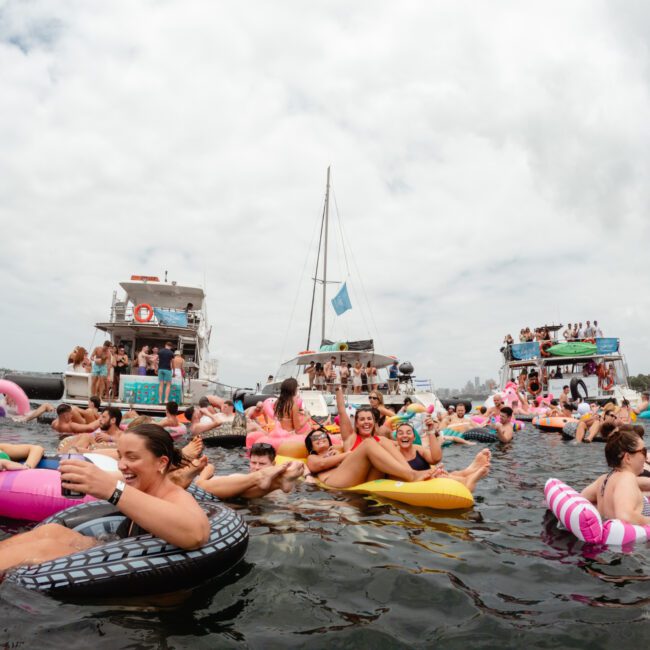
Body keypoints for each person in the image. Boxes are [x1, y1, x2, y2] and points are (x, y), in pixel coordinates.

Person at [0, 424, 210, 571]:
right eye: (120, 456)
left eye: (132, 457)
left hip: (135, 575)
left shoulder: (175, 497)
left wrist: (113, 491)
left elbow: (197, 534)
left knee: (44, 549)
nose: (121, 464)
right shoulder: (144, 485)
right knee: (50, 531)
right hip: (114, 544)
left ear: (161, 463)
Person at [304, 426, 435, 489]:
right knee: (368, 443)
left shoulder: (337, 452)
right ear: (311, 446)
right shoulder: (313, 457)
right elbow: (319, 465)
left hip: (359, 480)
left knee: (381, 440)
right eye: (315, 438)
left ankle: (410, 473)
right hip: (334, 482)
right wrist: (346, 455)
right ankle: (411, 475)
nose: (320, 439)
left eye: (322, 436)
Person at [581, 428, 650, 526]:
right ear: (628, 457)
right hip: (633, 541)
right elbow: (625, 517)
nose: (646, 457)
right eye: (643, 451)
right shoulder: (626, 478)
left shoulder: (604, 479)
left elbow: (582, 498)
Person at [394, 423, 490, 492]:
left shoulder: (419, 449)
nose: (405, 435)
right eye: (401, 433)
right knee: (441, 476)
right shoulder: (393, 453)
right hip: (420, 481)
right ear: (396, 438)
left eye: (408, 432)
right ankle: (467, 481)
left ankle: (470, 470)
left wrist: (431, 431)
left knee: (448, 474)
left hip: (431, 476)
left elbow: (435, 459)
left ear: (414, 438)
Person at [196, 442, 305, 498]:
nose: (256, 467)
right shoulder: (237, 477)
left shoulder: (283, 492)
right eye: (253, 463)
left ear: (273, 464)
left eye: (262, 464)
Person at [58, 406, 124, 453]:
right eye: (100, 416)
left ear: (113, 420)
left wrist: (109, 438)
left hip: (104, 453)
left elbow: (129, 443)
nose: (100, 419)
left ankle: (67, 457)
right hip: (93, 448)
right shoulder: (101, 432)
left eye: (103, 417)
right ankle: (58, 456)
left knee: (87, 436)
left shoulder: (121, 434)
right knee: (82, 435)